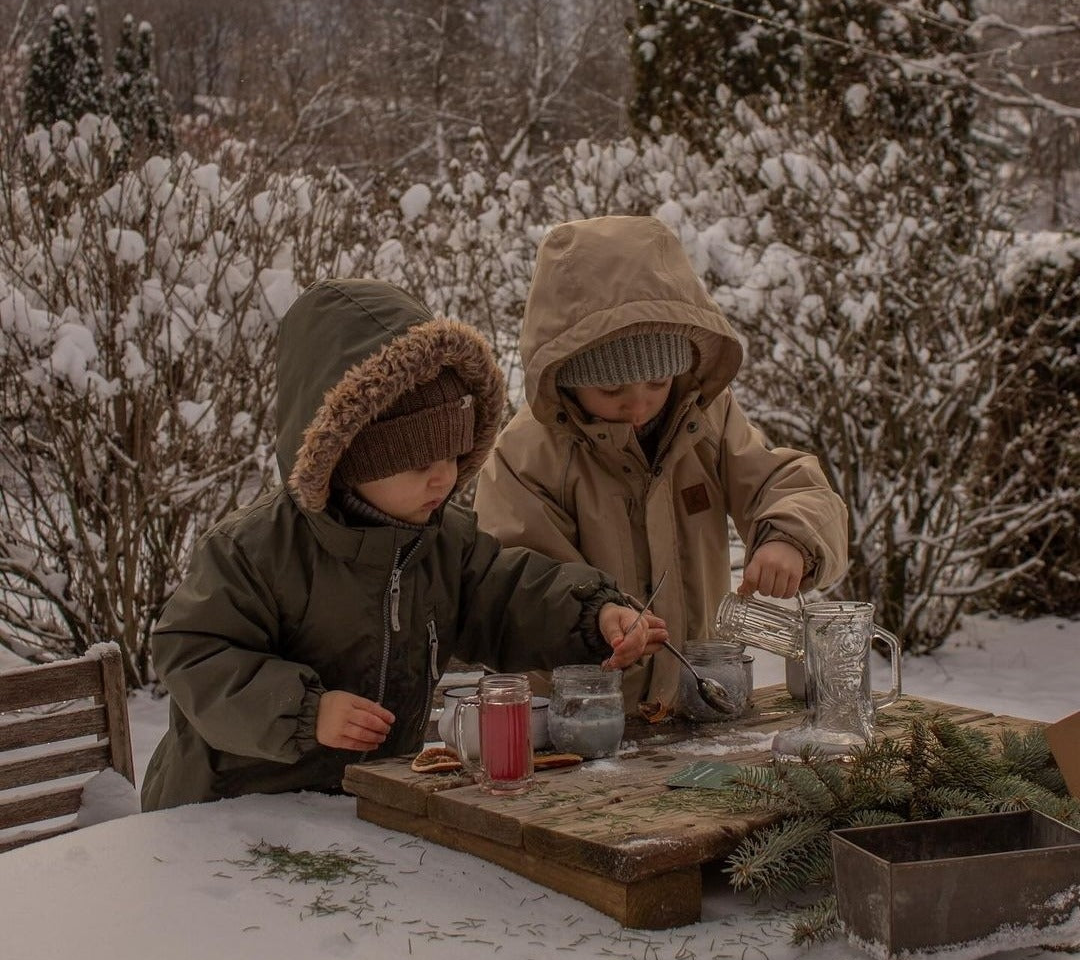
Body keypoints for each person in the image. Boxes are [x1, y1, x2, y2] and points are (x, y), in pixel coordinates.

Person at [141, 277, 665, 810]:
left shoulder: (443, 539)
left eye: (454, 455)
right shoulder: (253, 550)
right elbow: (194, 652)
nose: (446, 478)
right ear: (348, 455)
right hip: (230, 811)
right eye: (420, 464)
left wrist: (593, 616)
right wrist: (304, 711)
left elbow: (509, 597)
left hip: (364, 804)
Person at [473, 215, 849, 715]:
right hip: (579, 715)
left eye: (658, 382)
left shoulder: (705, 418)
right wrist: (595, 617)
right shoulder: (528, 456)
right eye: (612, 388)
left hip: (697, 701)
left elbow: (782, 482)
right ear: (565, 377)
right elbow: (515, 580)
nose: (639, 405)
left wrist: (790, 537)